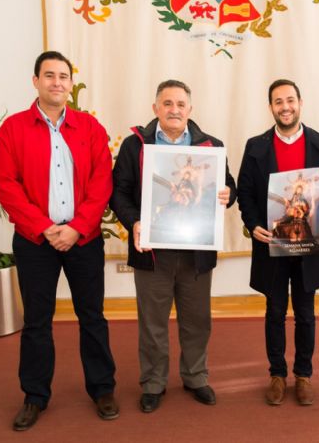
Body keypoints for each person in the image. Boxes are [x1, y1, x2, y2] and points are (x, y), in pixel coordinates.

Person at [0, 51, 118, 430]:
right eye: (50, 76)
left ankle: (102, 389)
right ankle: (34, 396)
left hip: (83, 239)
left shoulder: (90, 128)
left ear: (70, 83)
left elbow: (102, 183)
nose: (57, 82)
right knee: (36, 322)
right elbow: (5, 185)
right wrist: (45, 227)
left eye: (64, 76)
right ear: (36, 81)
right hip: (35, 241)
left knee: (92, 317)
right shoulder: (12, 129)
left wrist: (77, 227)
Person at [110, 80, 236, 413]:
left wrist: (228, 195)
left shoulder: (211, 147)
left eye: (180, 104)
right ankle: (153, 382)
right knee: (152, 321)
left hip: (196, 251)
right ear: (155, 109)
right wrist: (134, 222)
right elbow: (118, 193)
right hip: (152, 252)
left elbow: (229, 187)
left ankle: (196, 376)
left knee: (197, 320)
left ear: (190, 110)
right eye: (167, 103)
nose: (174, 110)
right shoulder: (134, 146)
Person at [237, 79, 319, 406]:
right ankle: (277, 374)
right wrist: (253, 224)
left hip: (308, 244)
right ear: (271, 107)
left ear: (300, 102)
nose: (285, 107)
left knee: (306, 313)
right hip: (272, 243)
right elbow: (246, 195)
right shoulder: (256, 146)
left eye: (290, 100)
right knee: (274, 312)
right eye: (278, 102)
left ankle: (304, 375)